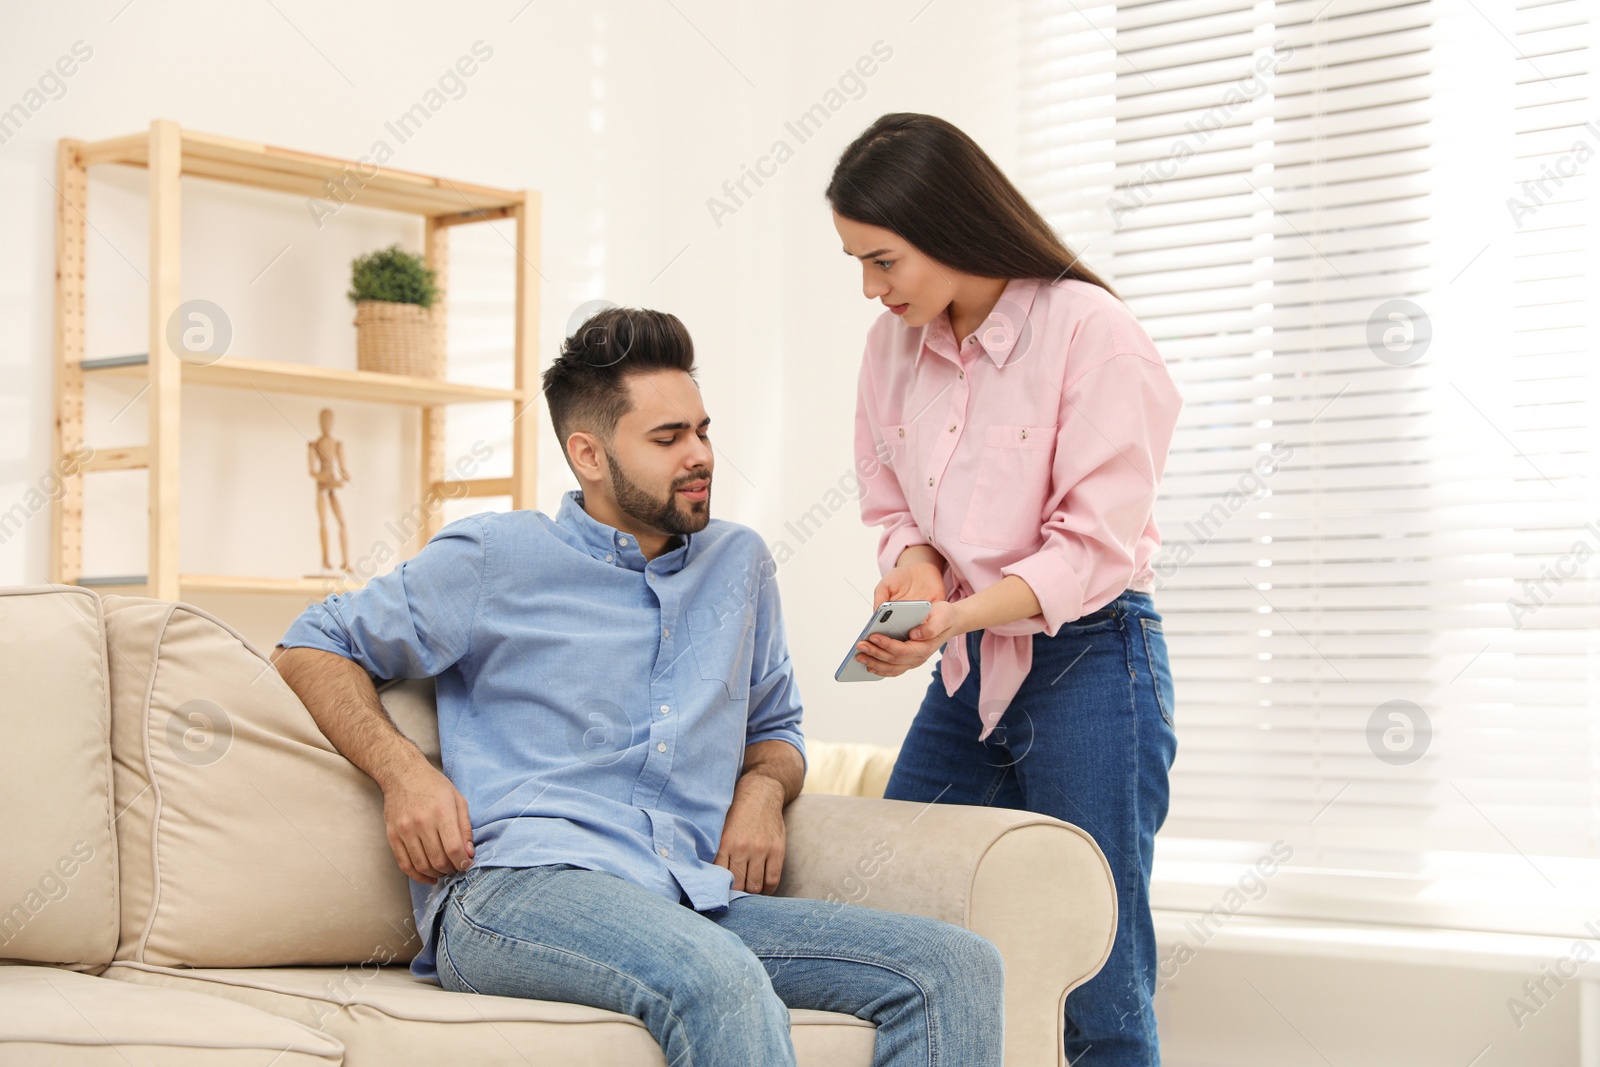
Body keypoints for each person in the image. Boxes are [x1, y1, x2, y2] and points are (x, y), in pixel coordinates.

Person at [271, 307, 1004, 1067]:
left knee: (953, 966)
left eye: (702, 429)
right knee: (714, 977)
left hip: (690, 896)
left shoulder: (740, 564)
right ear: (587, 453)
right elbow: (309, 644)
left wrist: (760, 791)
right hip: (516, 890)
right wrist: (404, 773)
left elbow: (777, 731)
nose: (701, 456)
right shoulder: (493, 556)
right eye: (668, 438)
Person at [830, 113, 1183, 1065]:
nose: (871, 287)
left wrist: (950, 616)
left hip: (1093, 663)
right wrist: (914, 576)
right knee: (902, 906)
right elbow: (893, 501)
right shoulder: (890, 348)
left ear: (946, 226)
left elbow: (1093, 547)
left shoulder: (1092, 333)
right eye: (857, 263)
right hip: (968, 669)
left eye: (884, 260)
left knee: (1096, 976)